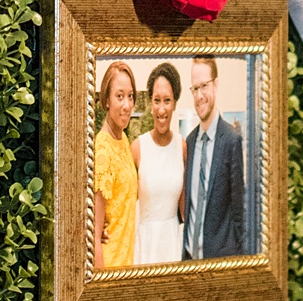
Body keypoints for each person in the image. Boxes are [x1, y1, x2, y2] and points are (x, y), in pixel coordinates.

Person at [180, 54, 246, 260]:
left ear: (216, 85)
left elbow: (239, 212)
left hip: (219, 259)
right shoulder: (189, 143)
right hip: (189, 258)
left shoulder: (231, 140)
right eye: (195, 88)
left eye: (204, 86)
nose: (199, 95)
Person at [132, 63, 186, 267]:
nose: (161, 109)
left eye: (167, 101)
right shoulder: (137, 148)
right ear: (150, 102)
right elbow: (123, 203)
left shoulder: (182, 147)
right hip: (145, 245)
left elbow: (184, 209)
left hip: (173, 243)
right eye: (156, 101)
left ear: (175, 103)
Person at [92, 60, 138, 271]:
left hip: (125, 264)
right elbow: (93, 236)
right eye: (119, 96)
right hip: (110, 268)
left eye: (130, 96)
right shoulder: (103, 149)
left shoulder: (122, 139)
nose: (127, 105)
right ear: (107, 100)